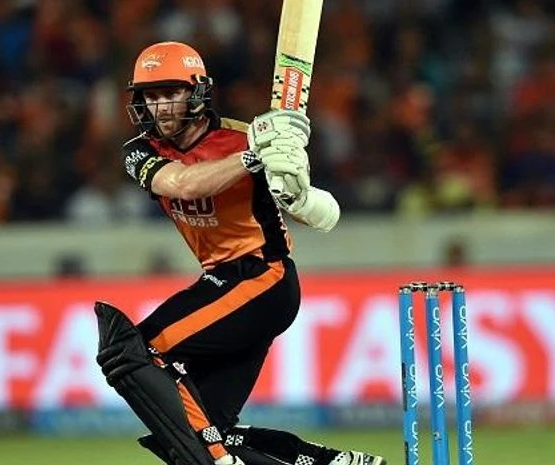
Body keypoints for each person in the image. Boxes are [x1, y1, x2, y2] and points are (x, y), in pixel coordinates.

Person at [94, 41, 385, 465]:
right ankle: (330, 463)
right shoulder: (141, 150)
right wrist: (254, 158)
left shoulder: (243, 136)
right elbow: (184, 185)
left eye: (169, 93)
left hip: (262, 279)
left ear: (195, 92)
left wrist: (295, 189)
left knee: (139, 351)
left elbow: (324, 216)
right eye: (150, 97)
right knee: (191, 435)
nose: (159, 107)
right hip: (227, 285)